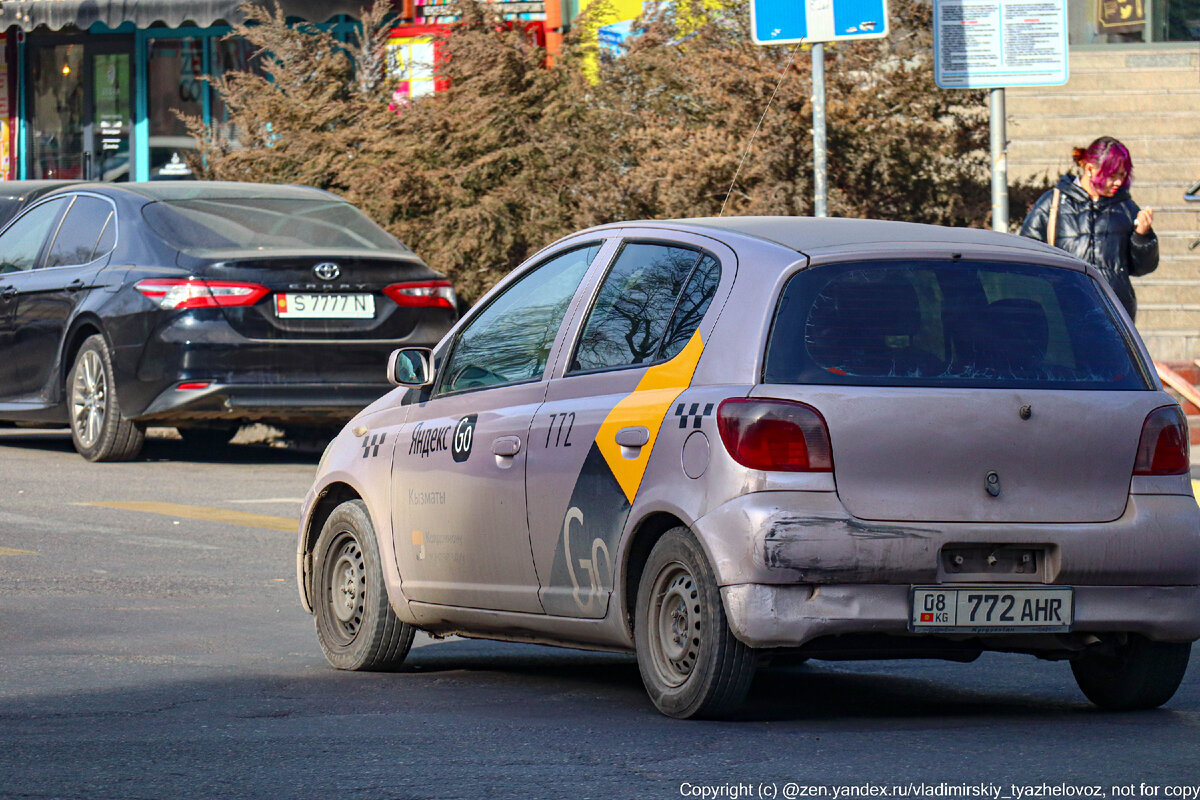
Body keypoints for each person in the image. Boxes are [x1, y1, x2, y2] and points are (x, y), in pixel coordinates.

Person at [1019, 136, 1157, 321]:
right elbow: (1026, 253)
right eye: (1112, 175)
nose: (1117, 182)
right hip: (1063, 309)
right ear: (1090, 169)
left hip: (1114, 312)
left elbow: (1143, 267)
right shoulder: (1054, 203)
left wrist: (1142, 236)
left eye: (1122, 176)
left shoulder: (1126, 207)